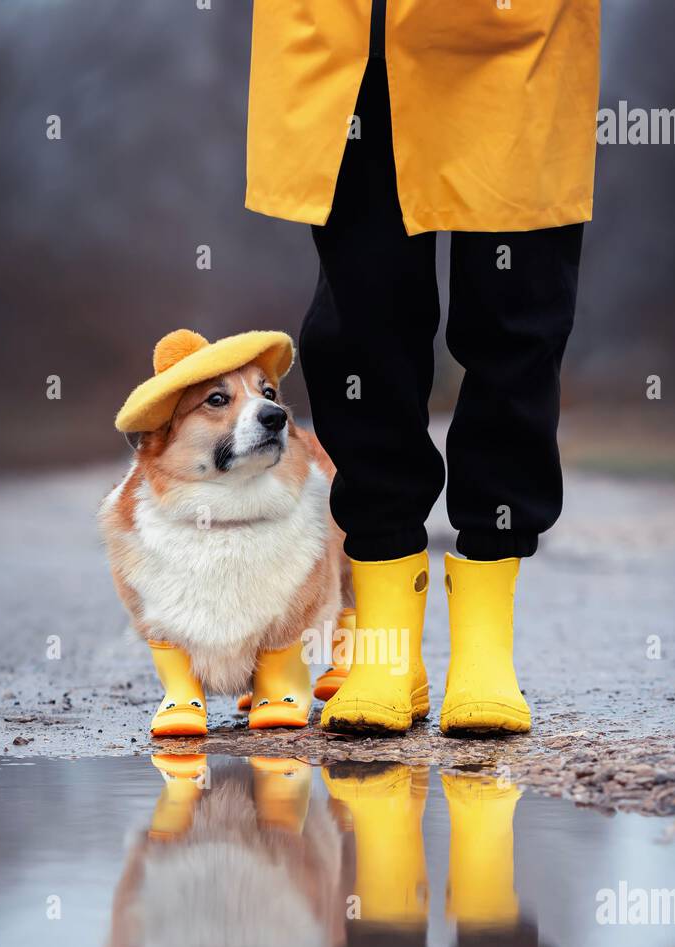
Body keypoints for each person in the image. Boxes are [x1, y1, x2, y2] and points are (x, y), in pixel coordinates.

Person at [246, 1, 600, 736]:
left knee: (517, 318)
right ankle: (385, 645)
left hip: (514, 33)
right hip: (354, 32)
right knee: (360, 324)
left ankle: (483, 651)